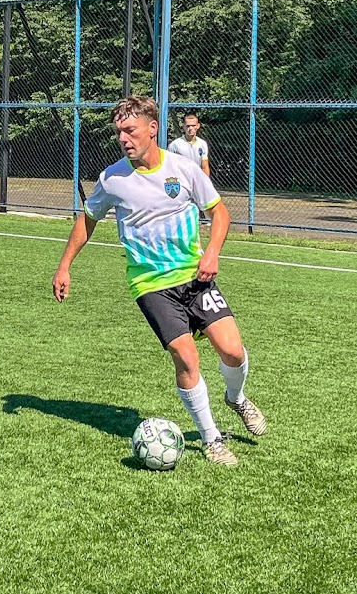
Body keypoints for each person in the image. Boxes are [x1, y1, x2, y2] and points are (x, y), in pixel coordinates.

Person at [52, 95, 266, 466]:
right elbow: (87, 220)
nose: (123, 138)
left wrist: (212, 253)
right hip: (150, 284)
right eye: (119, 131)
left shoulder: (183, 169)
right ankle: (213, 439)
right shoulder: (113, 178)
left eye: (130, 130)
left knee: (232, 350)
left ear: (153, 129)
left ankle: (236, 398)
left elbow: (220, 213)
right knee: (186, 356)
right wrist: (64, 266)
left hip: (194, 276)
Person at [168, 112, 211, 223]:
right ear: (183, 127)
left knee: (199, 210)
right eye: (188, 126)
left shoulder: (202, 144)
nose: (190, 128)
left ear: (198, 126)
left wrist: (205, 182)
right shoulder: (175, 145)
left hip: (197, 181)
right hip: (181, 182)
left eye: (193, 125)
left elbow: (205, 165)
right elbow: (169, 166)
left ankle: (202, 220)